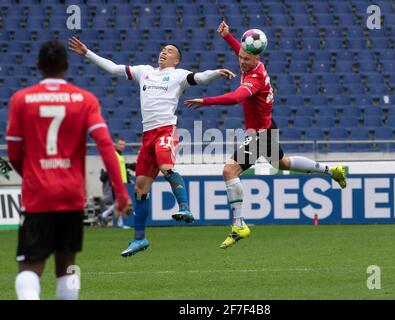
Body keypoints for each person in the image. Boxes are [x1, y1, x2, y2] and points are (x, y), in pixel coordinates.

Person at [185, 21, 347, 249]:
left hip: (260, 134)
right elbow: (242, 51)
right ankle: (331, 170)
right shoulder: (250, 62)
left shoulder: (255, 79)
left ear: (256, 59)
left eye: (245, 59)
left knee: (229, 170)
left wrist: (206, 101)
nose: (241, 61)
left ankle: (239, 224)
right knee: (283, 163)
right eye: (240, 56)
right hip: (267, 127)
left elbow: (235, 98)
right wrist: (228, 37)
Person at [68, 37, 236, 257]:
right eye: (163, 49)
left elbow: (201, 78)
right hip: (147, 136)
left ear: (176, 60)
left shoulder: (178, 75)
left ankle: (184, 207)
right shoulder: (143, 71)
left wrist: (216, 72)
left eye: (169, 51)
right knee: (139, 188)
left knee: (166, 166)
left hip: (165, 131)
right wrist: (87, 52)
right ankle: (139, 239)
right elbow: (114, 68)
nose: (164, 52)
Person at [5, 40, 132, 300]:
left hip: (38, 195)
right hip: (71, 197)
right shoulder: (85, 100)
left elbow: (14, 154)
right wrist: (121, 192)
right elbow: (106, 146)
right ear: (66, 65)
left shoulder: (21, 100)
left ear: (39, 65)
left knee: (29, 266)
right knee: (68, 266)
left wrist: (31, 174)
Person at [99, 137, 135, 228]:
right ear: (115, 145)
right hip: (117, 183)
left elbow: (121, 170)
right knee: (120, 202)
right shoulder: (114, 155)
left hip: (122, 182)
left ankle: (106, 216)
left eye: (123, 145)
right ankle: (106, 216)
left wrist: (127, 179)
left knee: (119, 203)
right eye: (120, 144)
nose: (122, 146)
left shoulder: (120, 156)